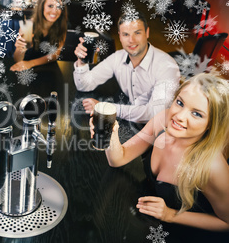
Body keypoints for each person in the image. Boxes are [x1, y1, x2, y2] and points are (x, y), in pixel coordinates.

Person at [92, 73, 229, 232]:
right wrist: (111, 132)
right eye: (180, 103)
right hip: (147, 219)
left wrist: (170, 214)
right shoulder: (162, 121)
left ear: (211, 125)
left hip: (186, 232)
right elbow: (118, 159)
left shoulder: (213, 166)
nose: (179, 116)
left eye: (196, 113)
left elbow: (226, 223)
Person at [74, 11, 180, 123]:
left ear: (147, 33)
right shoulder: (117, 58)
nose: (131, 40)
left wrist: (106, 108)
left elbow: (154, 113)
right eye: (126, 34)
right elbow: (84, 85)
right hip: (129, 121)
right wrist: (81, 62)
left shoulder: (167, 67)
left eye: (137, 33)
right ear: (119, 36)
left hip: (160, 130)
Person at [10, 0, 68, 71]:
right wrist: (20, 50)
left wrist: (31, 63)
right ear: (42, 6)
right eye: (50, 6)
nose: (54, 11)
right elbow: (17, 60)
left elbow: (54, 55)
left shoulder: (61, 27)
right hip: (26, 71)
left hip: (48, 70)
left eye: (58, 7)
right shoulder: (28, 25)